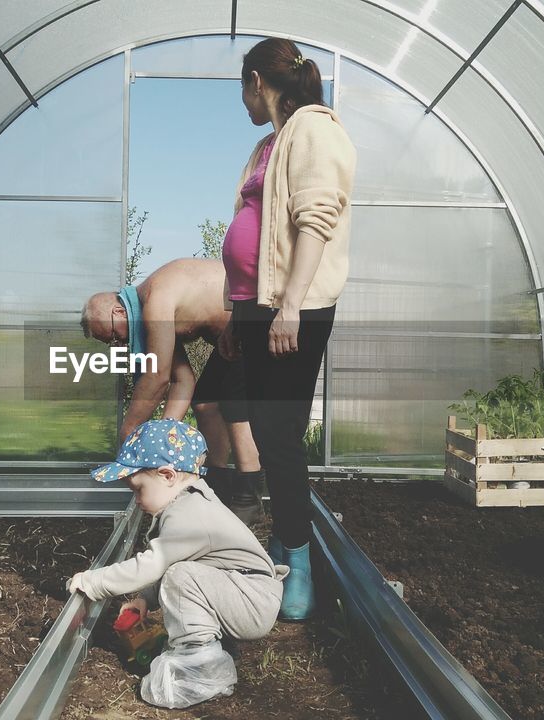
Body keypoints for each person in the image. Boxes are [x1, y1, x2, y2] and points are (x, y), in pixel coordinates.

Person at [216, 37, 356, 621]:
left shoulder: (314, 130)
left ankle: (297, 560)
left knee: (277, 432)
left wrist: (290, 306)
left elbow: (316, 219)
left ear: (256, 81)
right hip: (253, 306)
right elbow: (246, 227)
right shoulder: (266, 144)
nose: (241, 101)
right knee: (262, 425)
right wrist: (232, 307)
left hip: (290, 309)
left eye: (240, 90)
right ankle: (283, 542)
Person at [67, 419, 286, 709]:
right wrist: (145, 598)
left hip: (251, 601)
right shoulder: (188, 504)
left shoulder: (188, 514)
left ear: (168, 475)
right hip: (243, 592)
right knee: (181, 574)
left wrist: (92, 582)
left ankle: (199, 670)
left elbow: (153, 565)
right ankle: (208, 649)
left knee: (181, 576)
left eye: (138, 489)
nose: (137, 499)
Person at [81, 258, 265, 524]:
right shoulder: (149, 319)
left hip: (254, 319)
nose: (116, 343)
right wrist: (164, 437)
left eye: (112, 335)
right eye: (109, 343)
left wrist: (128, 433)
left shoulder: (156, 301)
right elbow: (182, 381)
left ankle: (250, 498)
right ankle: (220, 487)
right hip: (231, 339)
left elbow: (157, 377)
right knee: (204, 403)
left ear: (119, 312)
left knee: (233, 401)